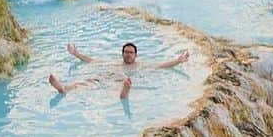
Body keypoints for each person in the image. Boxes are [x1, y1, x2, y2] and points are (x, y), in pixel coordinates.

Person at [49, 41, 190, 99]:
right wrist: (76, 53)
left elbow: (161, 66)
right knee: (90, 80)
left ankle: (125, 92)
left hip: (123, 82)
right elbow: (92, 61)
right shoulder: (114, 62)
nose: (128, 54)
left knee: (124, 82)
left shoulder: (140, 65)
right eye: (126, 52)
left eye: (131, 52)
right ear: (122, 53)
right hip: (108, 78)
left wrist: (178, 60)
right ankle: (64, 88)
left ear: (135, 55)